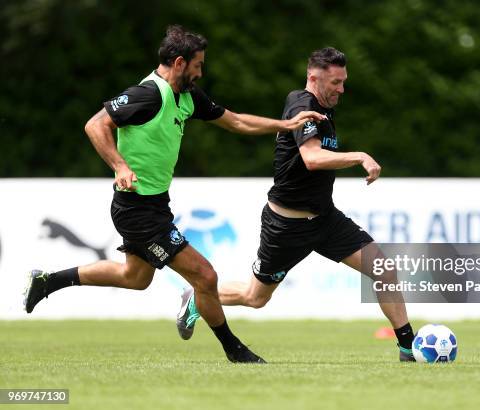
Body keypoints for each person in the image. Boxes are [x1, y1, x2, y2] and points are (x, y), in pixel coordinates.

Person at [23, 25, 325, 364]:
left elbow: (237, 122)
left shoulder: (188, 96)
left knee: (134, 278)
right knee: (205, 276)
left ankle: (48, 282)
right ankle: (234, 350)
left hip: (154, 205)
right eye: (198, 65)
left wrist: (285, 125)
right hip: (137, 210)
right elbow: (96, 125)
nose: (200, 72)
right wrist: (120, 166)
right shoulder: (147, 95)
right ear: (180, 63)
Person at [176, 47, 416, 362]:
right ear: (313, 78)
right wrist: (360, 156)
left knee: (384, 269)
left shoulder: (326, 107)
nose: (342, 89)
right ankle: (196, 298)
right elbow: (313, 158)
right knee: (254, 297)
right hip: (286, 226)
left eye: (344, 82)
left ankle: (409, 349)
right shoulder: (301, 105)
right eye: (335, 82)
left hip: (326, 221)